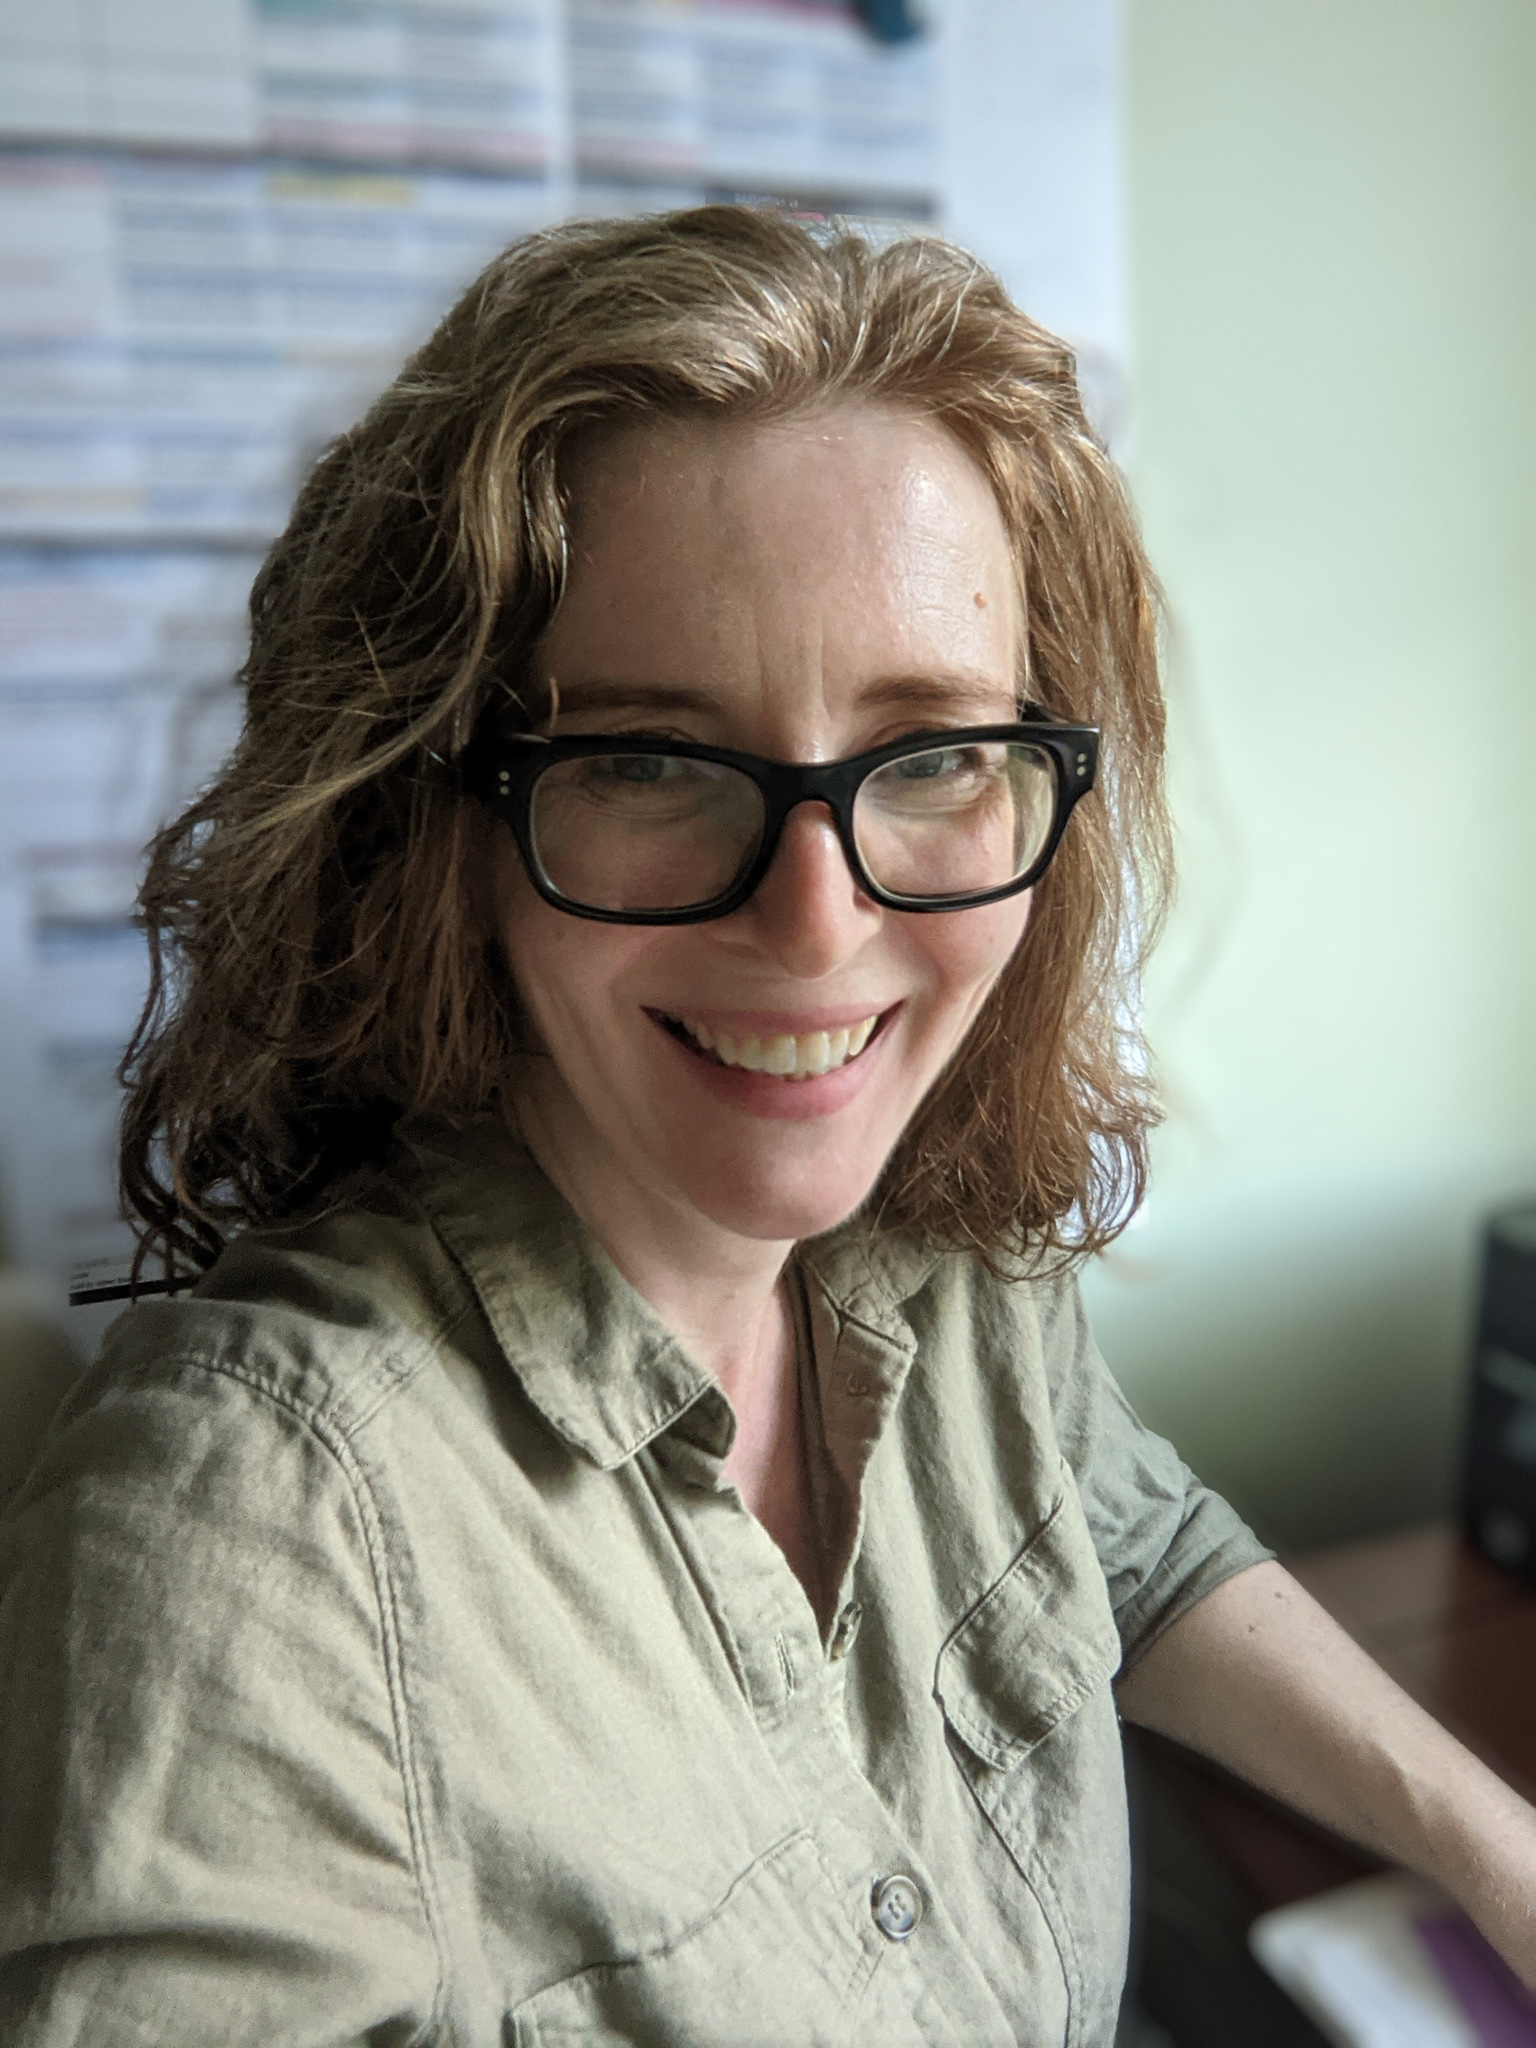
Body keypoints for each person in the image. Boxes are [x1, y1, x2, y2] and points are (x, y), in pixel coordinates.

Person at [0, 207, 1531, 2045]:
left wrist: (1493, 1849)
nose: (818, 922)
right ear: (444, 831)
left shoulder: (945, 1261)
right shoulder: (250, 1540)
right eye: (646, 758)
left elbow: (1133, 1542)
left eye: (938, 751)